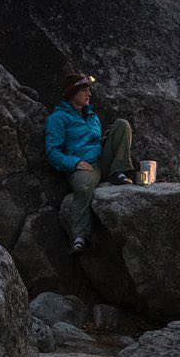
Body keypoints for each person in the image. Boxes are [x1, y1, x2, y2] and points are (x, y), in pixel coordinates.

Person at [45, 73, 135, 254]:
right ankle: (80, 237)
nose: (89, 93)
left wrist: (106, 141)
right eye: (84, 90)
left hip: (102, 159)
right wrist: (74, 162)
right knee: (84, 187)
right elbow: (52, 152)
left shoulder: (92, 115)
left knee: (122, 125)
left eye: (88, 89)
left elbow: (94, 141)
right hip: (85, 165)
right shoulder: (58, 118)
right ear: (73, 93)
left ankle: (117, 172)